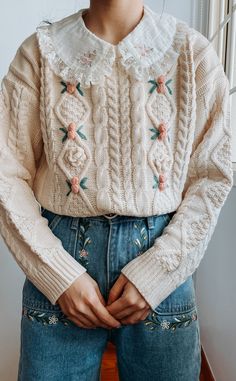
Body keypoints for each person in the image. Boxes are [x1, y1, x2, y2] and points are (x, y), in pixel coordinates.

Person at [0, 0, 233, 380]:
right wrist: (58, 274)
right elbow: (6, 172)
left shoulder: (191, 53)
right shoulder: (40, 53)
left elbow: (212, 174)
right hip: (62, 257)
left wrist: (159, 272)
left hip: (164, 259)